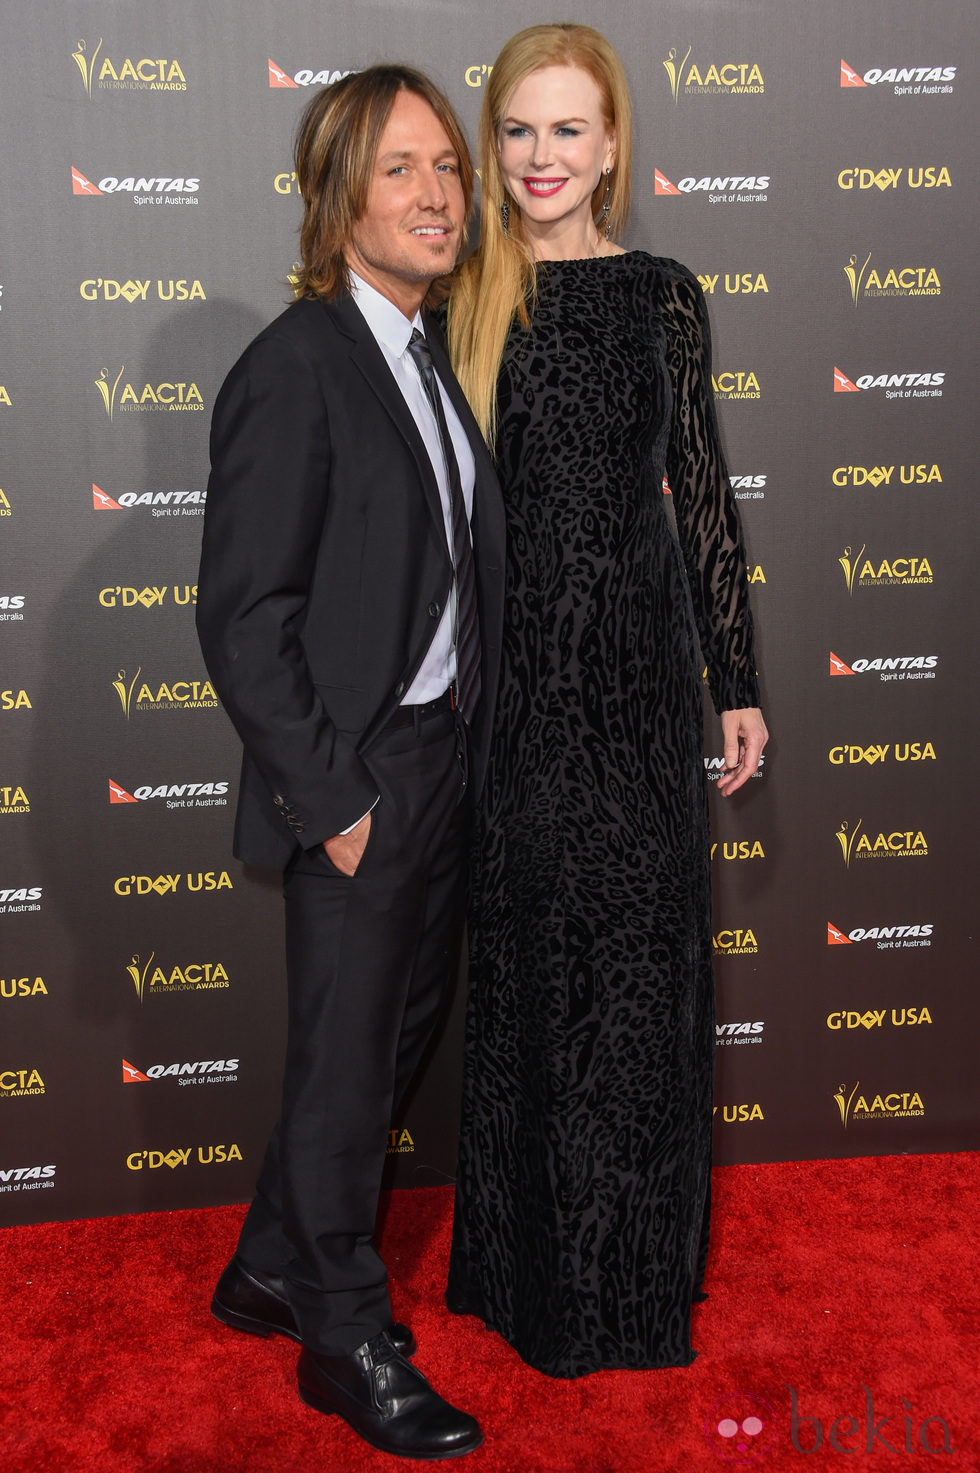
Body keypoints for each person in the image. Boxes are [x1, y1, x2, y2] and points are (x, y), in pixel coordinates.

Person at [443, 24, 768, 1379]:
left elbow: (700, 487)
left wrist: (734, 682)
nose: (540, 157)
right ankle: (529, 1276)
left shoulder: (663, 294)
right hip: (513, 694)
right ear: (492, 143)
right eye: (518, 130)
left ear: (614, 145)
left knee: (636, 982)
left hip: (637, 686)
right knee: (530, 971)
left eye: (567, 130)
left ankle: (633, 1277)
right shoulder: (462, 289)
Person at [195, 65, 504, 1458]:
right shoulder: (298, 363)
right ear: (337, 203)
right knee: (343, 1072)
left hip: (439, 762)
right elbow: (244, 616)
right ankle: (343, 1333)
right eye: (402, 170)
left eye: (448, 167)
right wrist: (336, 802)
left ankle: (269, 1260)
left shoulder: (424, 354)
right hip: (360, 780)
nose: (440, 194)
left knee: (379, 1050)